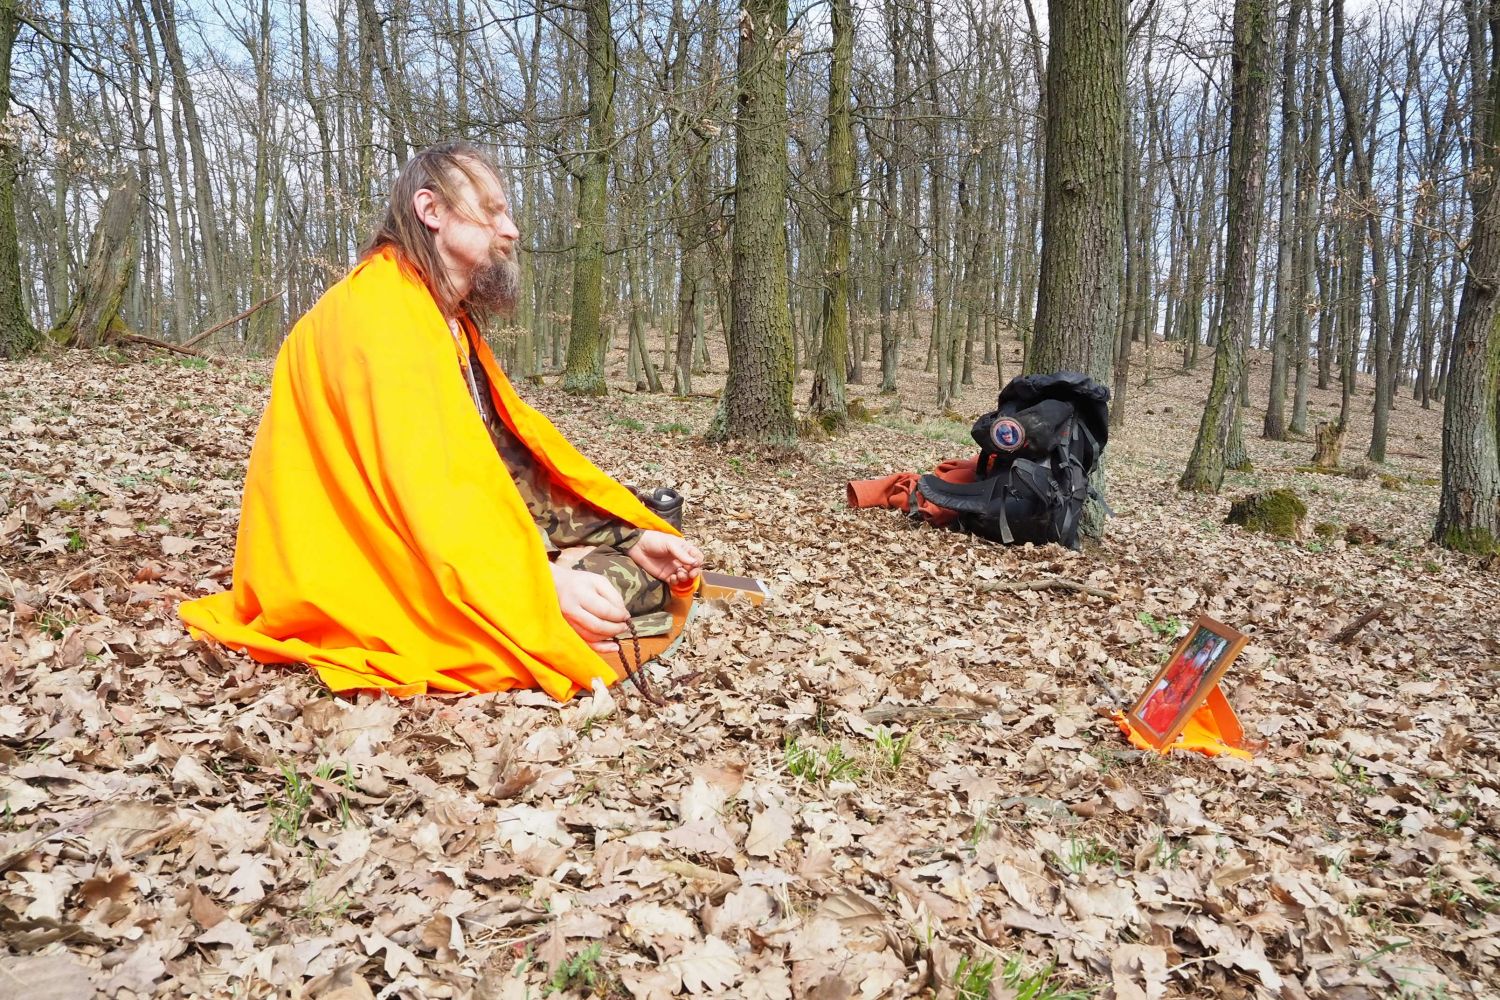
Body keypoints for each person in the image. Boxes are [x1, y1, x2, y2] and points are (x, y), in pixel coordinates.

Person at [179, 141, 703, 700]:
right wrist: (536, 582)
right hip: (363, 569)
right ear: (432, 212)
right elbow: (422, 491)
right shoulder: (380, 315)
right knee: (601, 610)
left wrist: (627, 534)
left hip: (434, 544)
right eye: (493, 210)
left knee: (639, 581)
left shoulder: (437, 319)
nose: (512, 230)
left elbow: (502, 465)